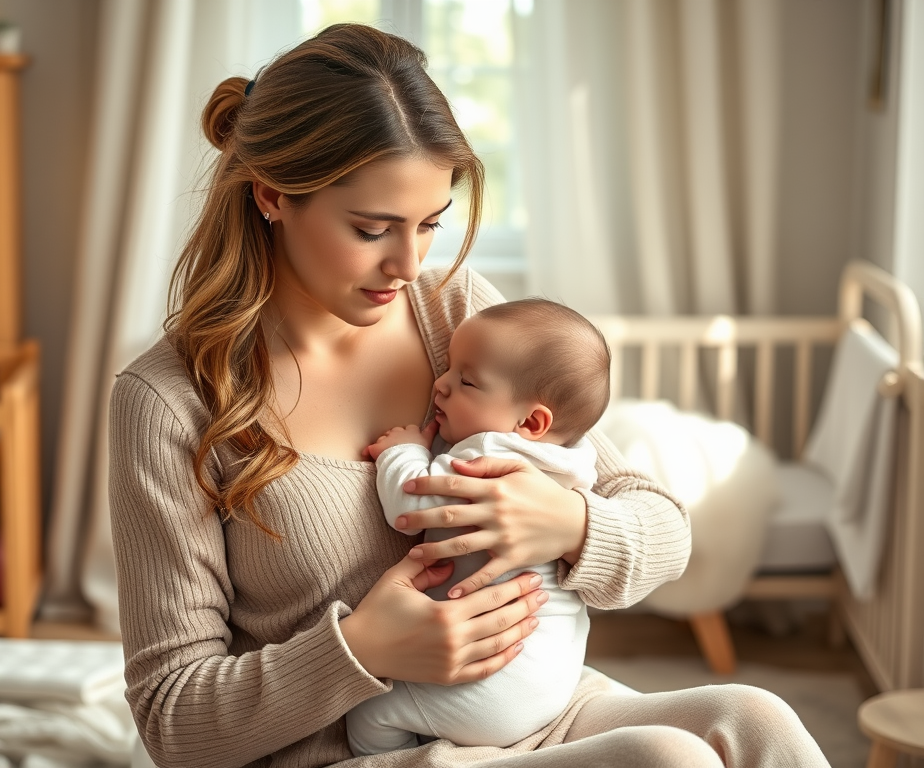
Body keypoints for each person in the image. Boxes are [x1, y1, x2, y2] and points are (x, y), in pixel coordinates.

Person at [108, 22, 832, 768]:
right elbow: (173, 721)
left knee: (754, 718)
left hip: (522, 713)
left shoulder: (451, 313)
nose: (407, 263)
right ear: (271, 195)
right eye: (372, 229)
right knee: (664, 760)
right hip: (357, 746)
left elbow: (663, 528)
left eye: (429, 224)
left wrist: (571, 523)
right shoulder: (169, 401)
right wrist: (359, 647)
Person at [346, 299, 611, 755]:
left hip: (495, 678)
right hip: (552, 671)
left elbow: (409, 504)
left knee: (372, 710)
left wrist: (402, 451)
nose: (440, 383)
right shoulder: (574, 458)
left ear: (530, 422)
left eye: (466, 381)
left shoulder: (488, 451)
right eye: (448, 367)